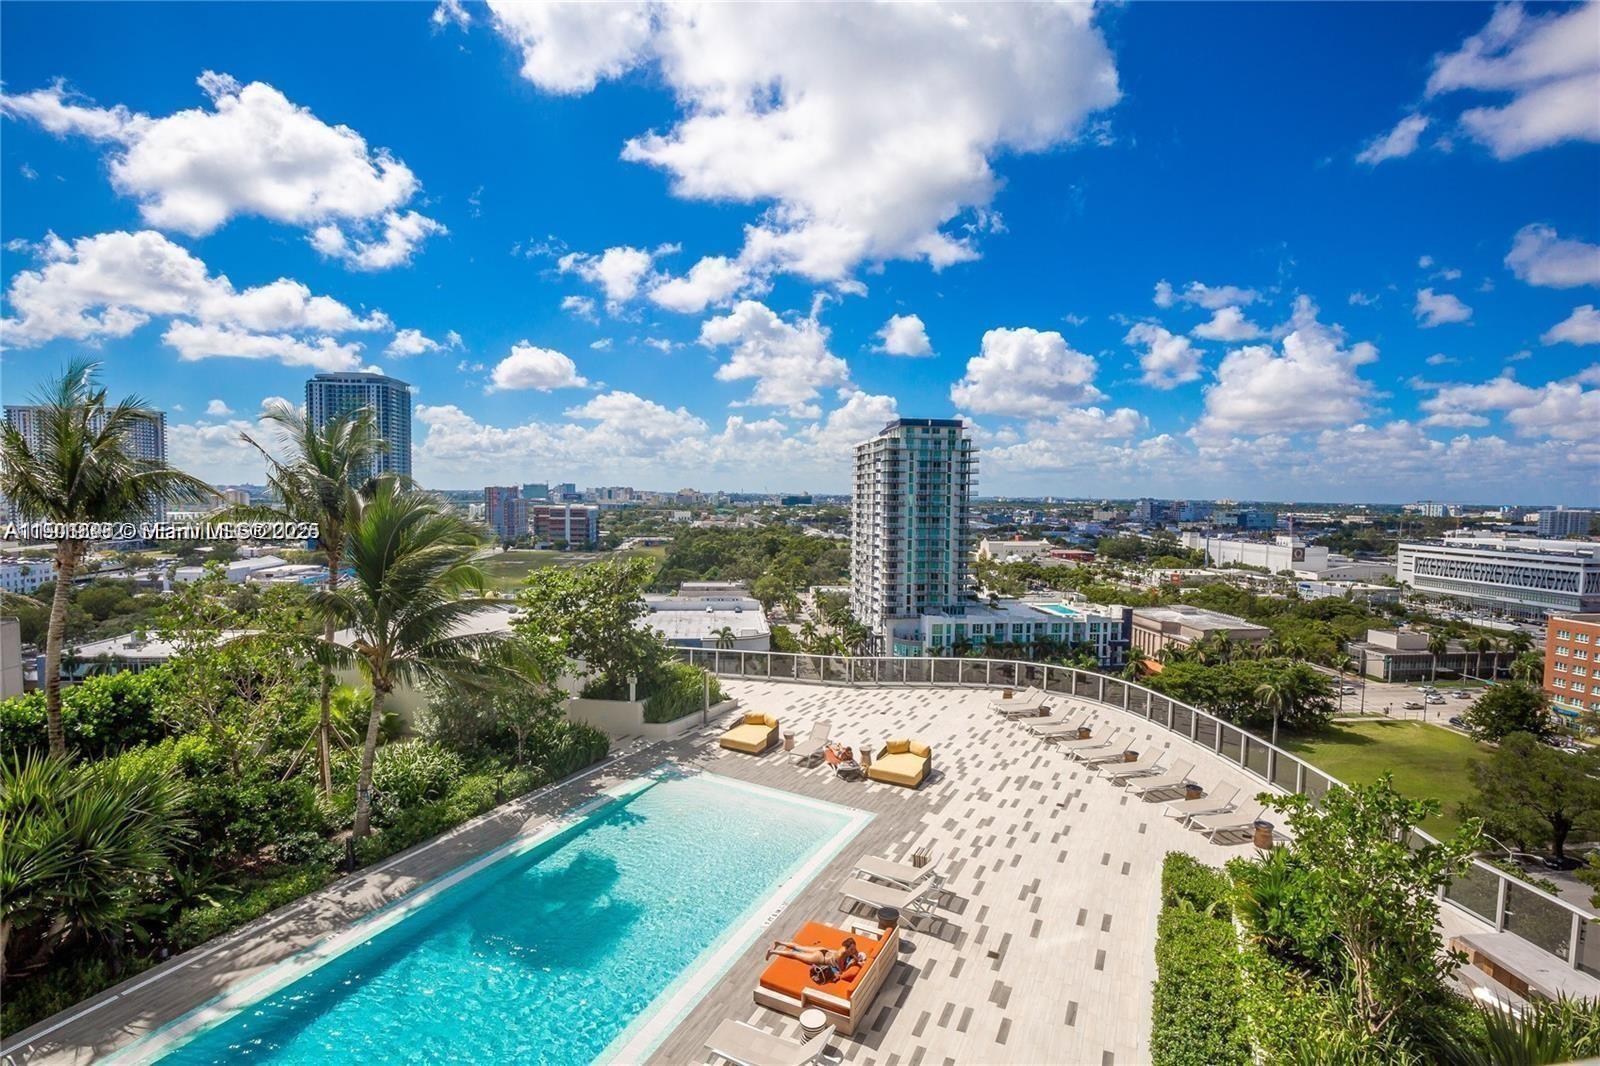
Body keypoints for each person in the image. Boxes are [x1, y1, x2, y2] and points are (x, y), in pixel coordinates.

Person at [766, 936, 866, 980]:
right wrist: (852, 963)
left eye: (854, 948)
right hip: (819, 958)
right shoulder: (841, 955)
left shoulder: (848, 948)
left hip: (824, 951)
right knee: (795, 955)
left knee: (799, 947)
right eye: (852, 949)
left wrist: (857, 960)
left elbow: (855, 954)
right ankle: (772, 952)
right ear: (847, 948)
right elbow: (841, 970)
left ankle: (779, 943)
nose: (854, 950)